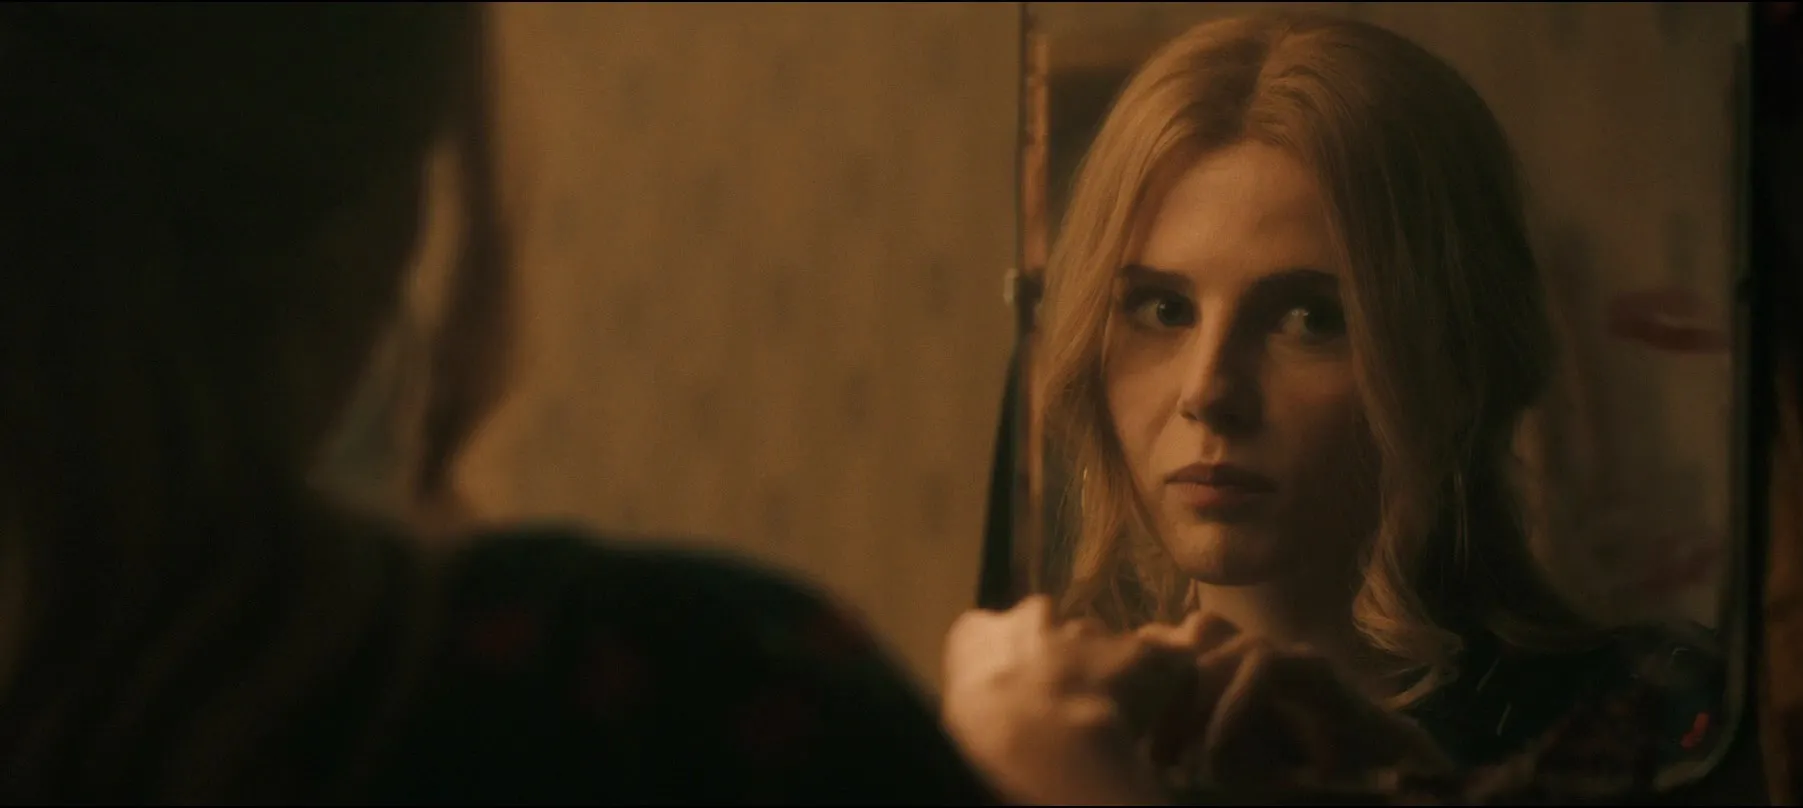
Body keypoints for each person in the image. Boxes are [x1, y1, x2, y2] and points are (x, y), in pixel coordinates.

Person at [0, 4, 1198, 803]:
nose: (1211, 394)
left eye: (1291, 317)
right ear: (401, 194)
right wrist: (1053, 777)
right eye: (1158, 308)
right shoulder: (670, 709)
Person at [1030, 13, 1728, 794]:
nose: (1208, 392)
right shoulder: (1075, 732)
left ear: (1450, 351)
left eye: (1310, 319)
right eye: (1164, 310)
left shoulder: (1654, 719)